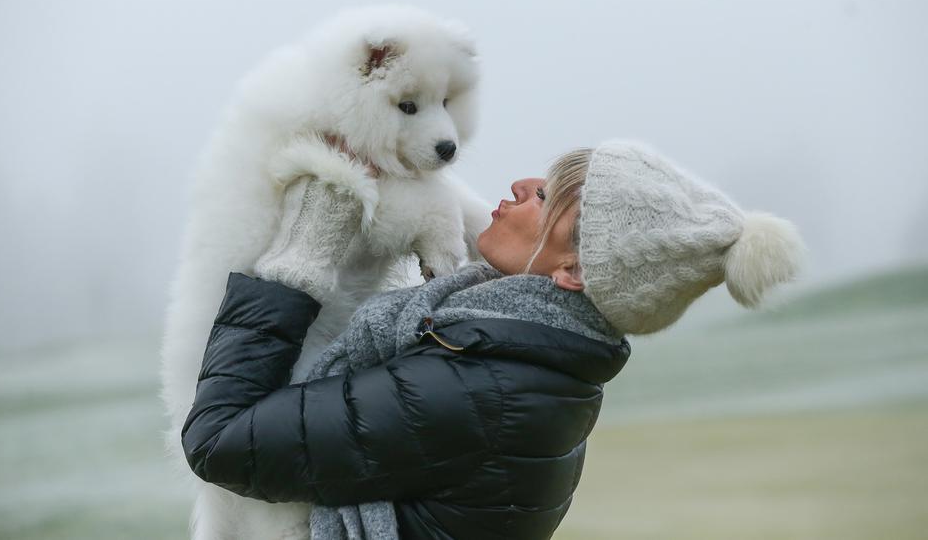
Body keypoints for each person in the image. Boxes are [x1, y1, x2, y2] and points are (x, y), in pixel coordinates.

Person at [181, 140, 803, 539]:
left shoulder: (479, 391)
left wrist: (303, 259)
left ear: (576, 273)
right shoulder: (531, 366)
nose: (525, 184)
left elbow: (220, 439)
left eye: (551, 197)